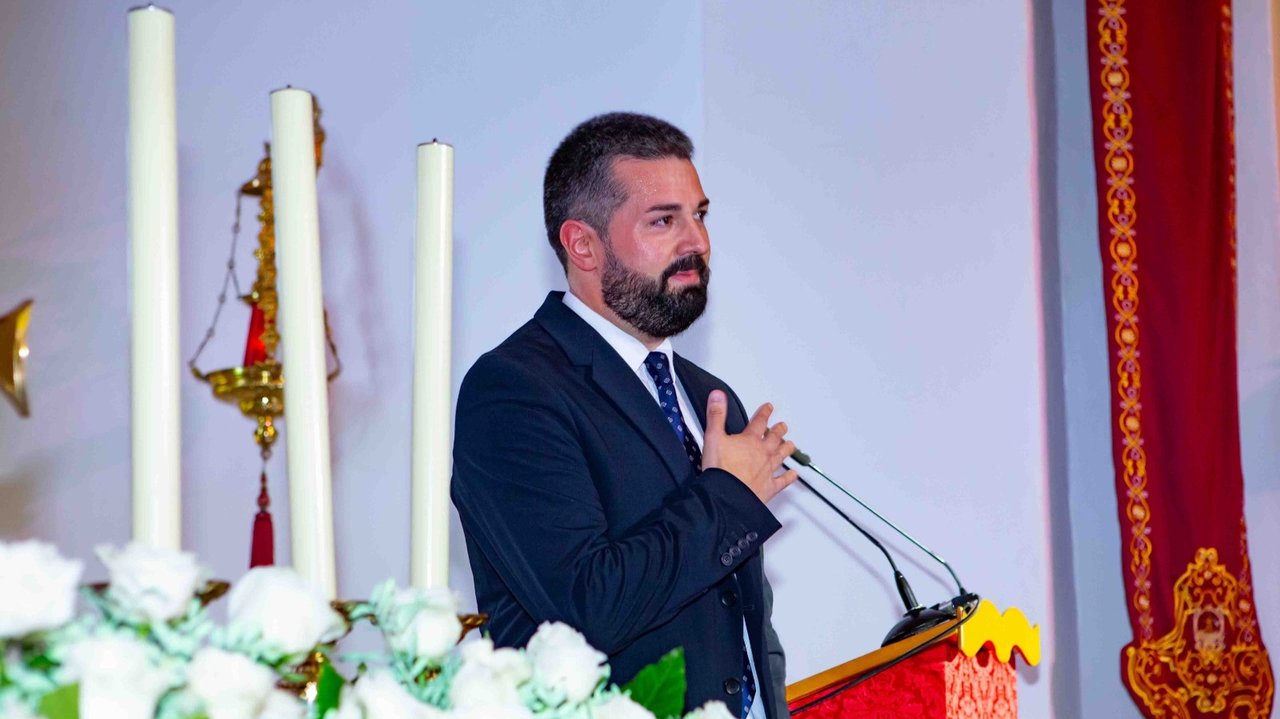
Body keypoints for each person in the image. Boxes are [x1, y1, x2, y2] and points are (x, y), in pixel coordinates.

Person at [452, 112, 796, 719]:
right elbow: (583, 607)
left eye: (700, 214)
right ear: (582, 243)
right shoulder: (514, 390)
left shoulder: (707, 395)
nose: (697, 242)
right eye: (664, 220)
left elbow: (740, 620)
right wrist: (724, 496)